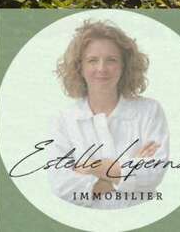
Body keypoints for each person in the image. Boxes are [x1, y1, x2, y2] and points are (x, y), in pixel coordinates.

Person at [47, 19, 169, 209]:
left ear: (124, 65)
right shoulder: (63, 120)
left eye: (111, 60)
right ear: (80, 67)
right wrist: (124, 173)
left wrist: (92, 166)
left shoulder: (149, 111)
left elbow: (154, 172)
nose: (101, 69)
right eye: (92, 60)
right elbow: (61, 184)